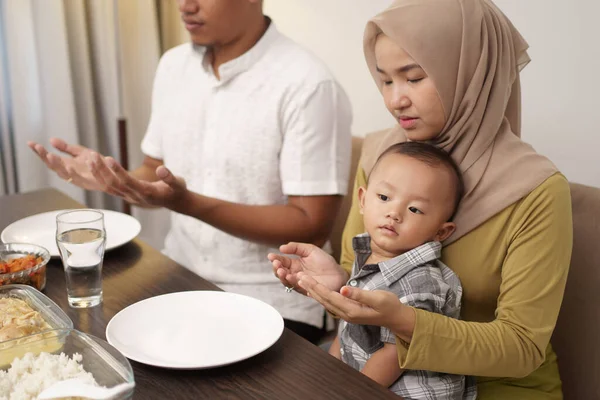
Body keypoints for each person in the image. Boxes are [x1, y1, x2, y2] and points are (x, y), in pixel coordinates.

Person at [272, 0, 572, 398]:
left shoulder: (536, 190)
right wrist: (339, 286)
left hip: (496, 389)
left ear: (469, 74)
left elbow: (521, 348)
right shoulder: (382, 156)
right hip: (371, 379)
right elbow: (368, 291)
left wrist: (408, 322)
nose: (396, 100)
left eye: (413, 78)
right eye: (386, 80)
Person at [27, 0, 353, 344]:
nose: (185, 5)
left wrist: (187, 202)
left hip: (275, 295)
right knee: (72, 337)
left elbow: (311, 225)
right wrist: (115, 180)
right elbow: (155, 171)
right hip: (178, 274)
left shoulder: (309, 85)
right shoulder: (173, 65)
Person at [271, 141, 476, 399]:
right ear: (362, 200)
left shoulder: (422, 282)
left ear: (441, 232)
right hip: (361, 368)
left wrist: (344, 392)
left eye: (414, 209)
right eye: (384, 197)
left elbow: (394, 356)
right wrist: (329, 370)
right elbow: (347, 327)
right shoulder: (369, 252)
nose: (394, 213)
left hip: (407, 391)